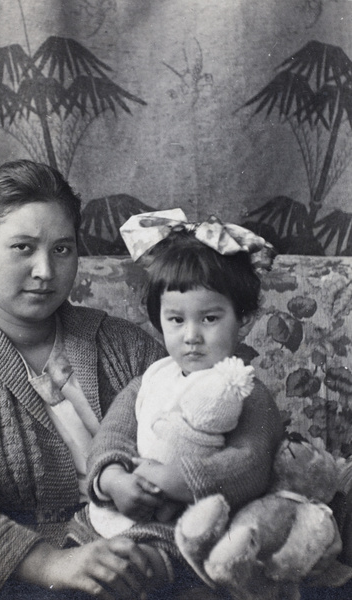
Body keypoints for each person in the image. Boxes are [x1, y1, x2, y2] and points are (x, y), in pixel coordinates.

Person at [0, 159, 171, 600]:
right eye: (22, 247)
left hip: (145, 566)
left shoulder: (126, 346)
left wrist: (160, 552)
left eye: (62, 249)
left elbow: (193, 437)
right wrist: (49, 562)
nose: (45, 271)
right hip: (16, 584)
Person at [84, 209, 284, 586]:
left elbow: (251, 463)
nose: (191, 335)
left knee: (138, 567)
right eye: (176, 320)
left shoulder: (247, 390)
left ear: (244, 320)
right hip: (129, 504)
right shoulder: (151, 380)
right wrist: (112, 479)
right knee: (81, 546)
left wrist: (177, 480)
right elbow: (112, 435)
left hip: (190, 521)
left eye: (209, 319)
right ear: (159, 320)